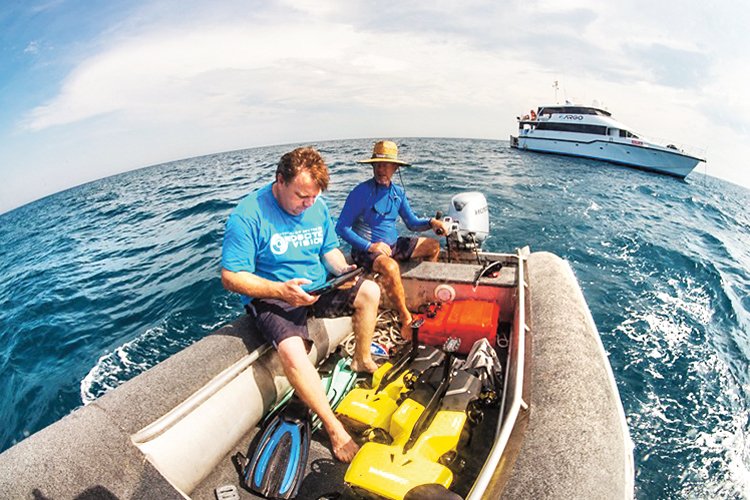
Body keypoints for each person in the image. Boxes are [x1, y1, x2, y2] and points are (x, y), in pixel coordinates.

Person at [221, 146, 380, 463]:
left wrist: (341, 270)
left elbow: (329, 250)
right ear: (279, 180)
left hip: (317, 286)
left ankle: (362, 360)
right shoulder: (248, 215)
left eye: (313, 197)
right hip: (272, 294)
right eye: (301, 196)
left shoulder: (316, 206)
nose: (307, 204)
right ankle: (335, 430)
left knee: (370, 291)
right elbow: (231, 276)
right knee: (293, 350)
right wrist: (281, 290)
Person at [336, 140, 450, 339]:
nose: (382, 169)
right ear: (372, 166)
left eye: (387, 165)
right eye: (378, 164)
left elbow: (412, 223)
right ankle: (405, 317)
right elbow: (341, 227)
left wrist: (432, 222)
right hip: (365, 251)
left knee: (432, 246)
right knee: (390, 267)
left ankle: (422, 296)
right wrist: (371, 246)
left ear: (395, 168)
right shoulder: (360, 192)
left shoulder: (398, 193)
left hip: (393, 245)